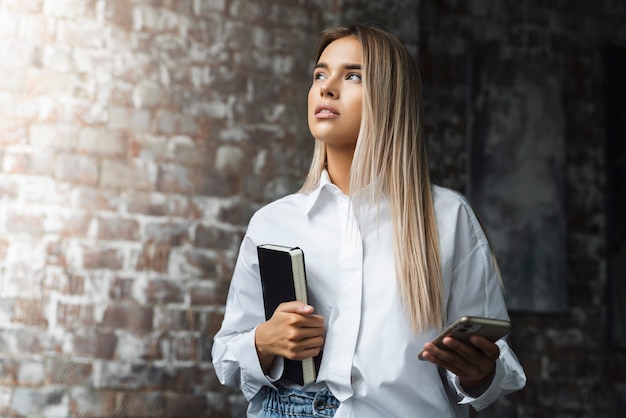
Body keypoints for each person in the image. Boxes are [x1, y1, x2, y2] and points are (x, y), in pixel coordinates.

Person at [212, 23, 526, 417]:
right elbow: (226, 355)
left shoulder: (449, 217)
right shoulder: (272, 223)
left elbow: (494, 365)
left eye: (353, 75)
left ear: (390, 97)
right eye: (320, 75)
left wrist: (478, 373)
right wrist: (263, 341)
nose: (326, 88)